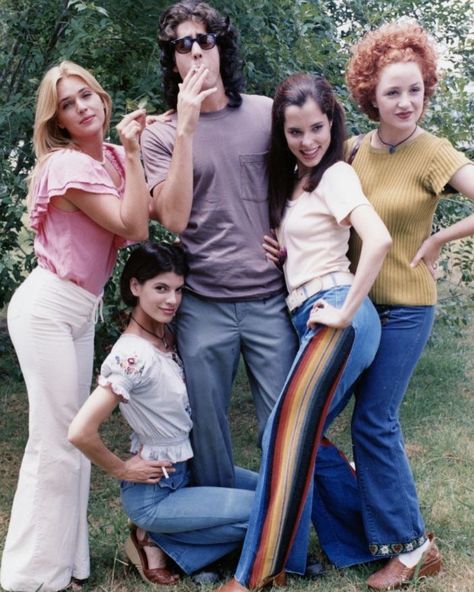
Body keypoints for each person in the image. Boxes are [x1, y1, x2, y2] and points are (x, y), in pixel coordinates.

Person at [309, 21, 474, 591]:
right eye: (393, 92)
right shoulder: (352, 150)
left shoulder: (434, 153)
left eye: (416, 90)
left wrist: (438, 240)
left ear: (427, 88)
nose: (407, 103)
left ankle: (410, 548)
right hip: (355, 309)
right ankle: (368, 527)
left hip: (405, 309)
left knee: (375, 421)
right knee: (313, 421)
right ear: (370, 97)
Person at [217, 73, 392, 591]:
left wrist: (343, 311)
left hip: (337, 311)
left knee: (283, 433)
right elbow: (319, 240)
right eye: (296, 132)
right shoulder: (298, 179)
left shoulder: (336, 173)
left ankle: (256, 575)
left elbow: (376, 241)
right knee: (306, 440)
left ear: (332, 122)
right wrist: (287, 255)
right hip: (311, 307)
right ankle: (363, 543)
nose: (309, 141)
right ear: (283, 134)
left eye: (317, 127)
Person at [0, 61, 150, 592]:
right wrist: (134, 153)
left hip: (79, 310)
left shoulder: (108, 159)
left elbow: (146, 217)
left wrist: (133, 152)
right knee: (57, 439)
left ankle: (68, 566)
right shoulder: (64, 166)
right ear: (57, 121)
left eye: (87, 95)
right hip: (47, 306)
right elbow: (133, 224)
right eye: (68, 103)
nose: (82, 107)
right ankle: (29, 577)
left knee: (70, 440)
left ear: (102, 98)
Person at [140, 0, 299, 490]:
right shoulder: (161, 135)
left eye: (204, 40)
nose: (195, 53)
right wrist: (186, 127)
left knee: (284, 424)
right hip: (203, 303)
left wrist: (293, 237)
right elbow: (173, 217)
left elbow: (309, 183)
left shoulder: (266, 114)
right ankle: (219, 538)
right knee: (207, 428)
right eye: (181, 46)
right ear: (172, 60)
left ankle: (282, 544)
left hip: (270, 298)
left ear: (220, 48)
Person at [68, 241, 259, 585]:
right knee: (269, 513)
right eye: (160, 288)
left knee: (280, 492)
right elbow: (80, 431)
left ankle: (165, 542)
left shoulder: (170, 336)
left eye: (178, 290)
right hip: (157, 493)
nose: (172, 300)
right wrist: (123, 468)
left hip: (191, 470)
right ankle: (159, 540)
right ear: (135, 286)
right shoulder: (131, 356)